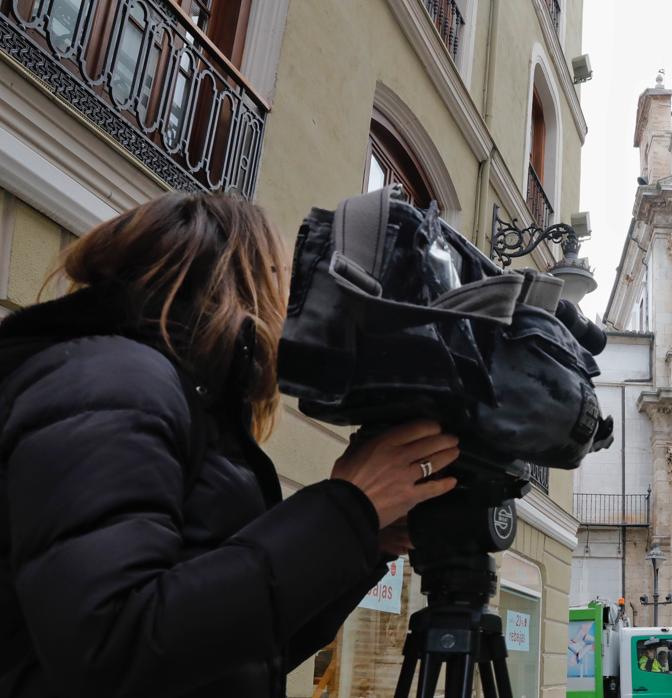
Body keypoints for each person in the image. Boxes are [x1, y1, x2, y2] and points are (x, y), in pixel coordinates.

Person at [0, 193, 461, 697]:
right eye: (284, 276)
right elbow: (110, 643)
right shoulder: (114, 381)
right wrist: (345, 510)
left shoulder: (187, 403)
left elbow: (244, 652)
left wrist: (362, 539)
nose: (291, 303)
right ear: (240, 278)